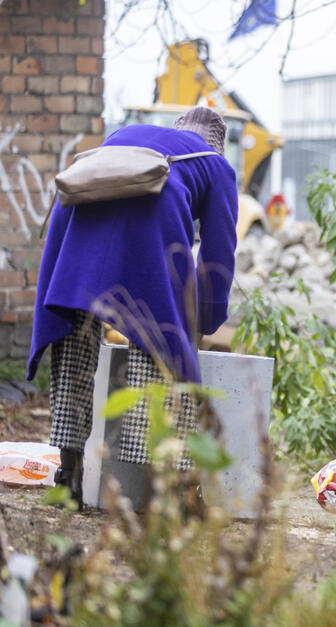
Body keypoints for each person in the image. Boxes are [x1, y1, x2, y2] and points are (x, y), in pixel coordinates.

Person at [27, 106, 239, 506]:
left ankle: (67, 474)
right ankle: (164, 492)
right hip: (148, 227)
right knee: (158, 349)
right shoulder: (215, 165)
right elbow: (218, 255)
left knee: (75, 338)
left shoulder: (129, 133)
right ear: (218, 146)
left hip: (74, 220)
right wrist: (202, 321)